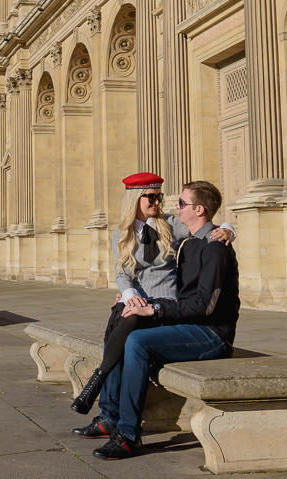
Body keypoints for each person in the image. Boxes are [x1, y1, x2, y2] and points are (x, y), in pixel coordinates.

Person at [89, 180, 240, 460]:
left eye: (181, 203)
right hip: (188, 322)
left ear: (199, 209)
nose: (173, 207)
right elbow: (128, 273)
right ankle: (112, 417)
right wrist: (129, 296)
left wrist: (156, 310)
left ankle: (128, 434)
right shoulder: (191, 244)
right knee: (123, 329)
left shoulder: (215, 248)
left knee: (136, 342)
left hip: (212, 333)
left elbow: (205, 305)